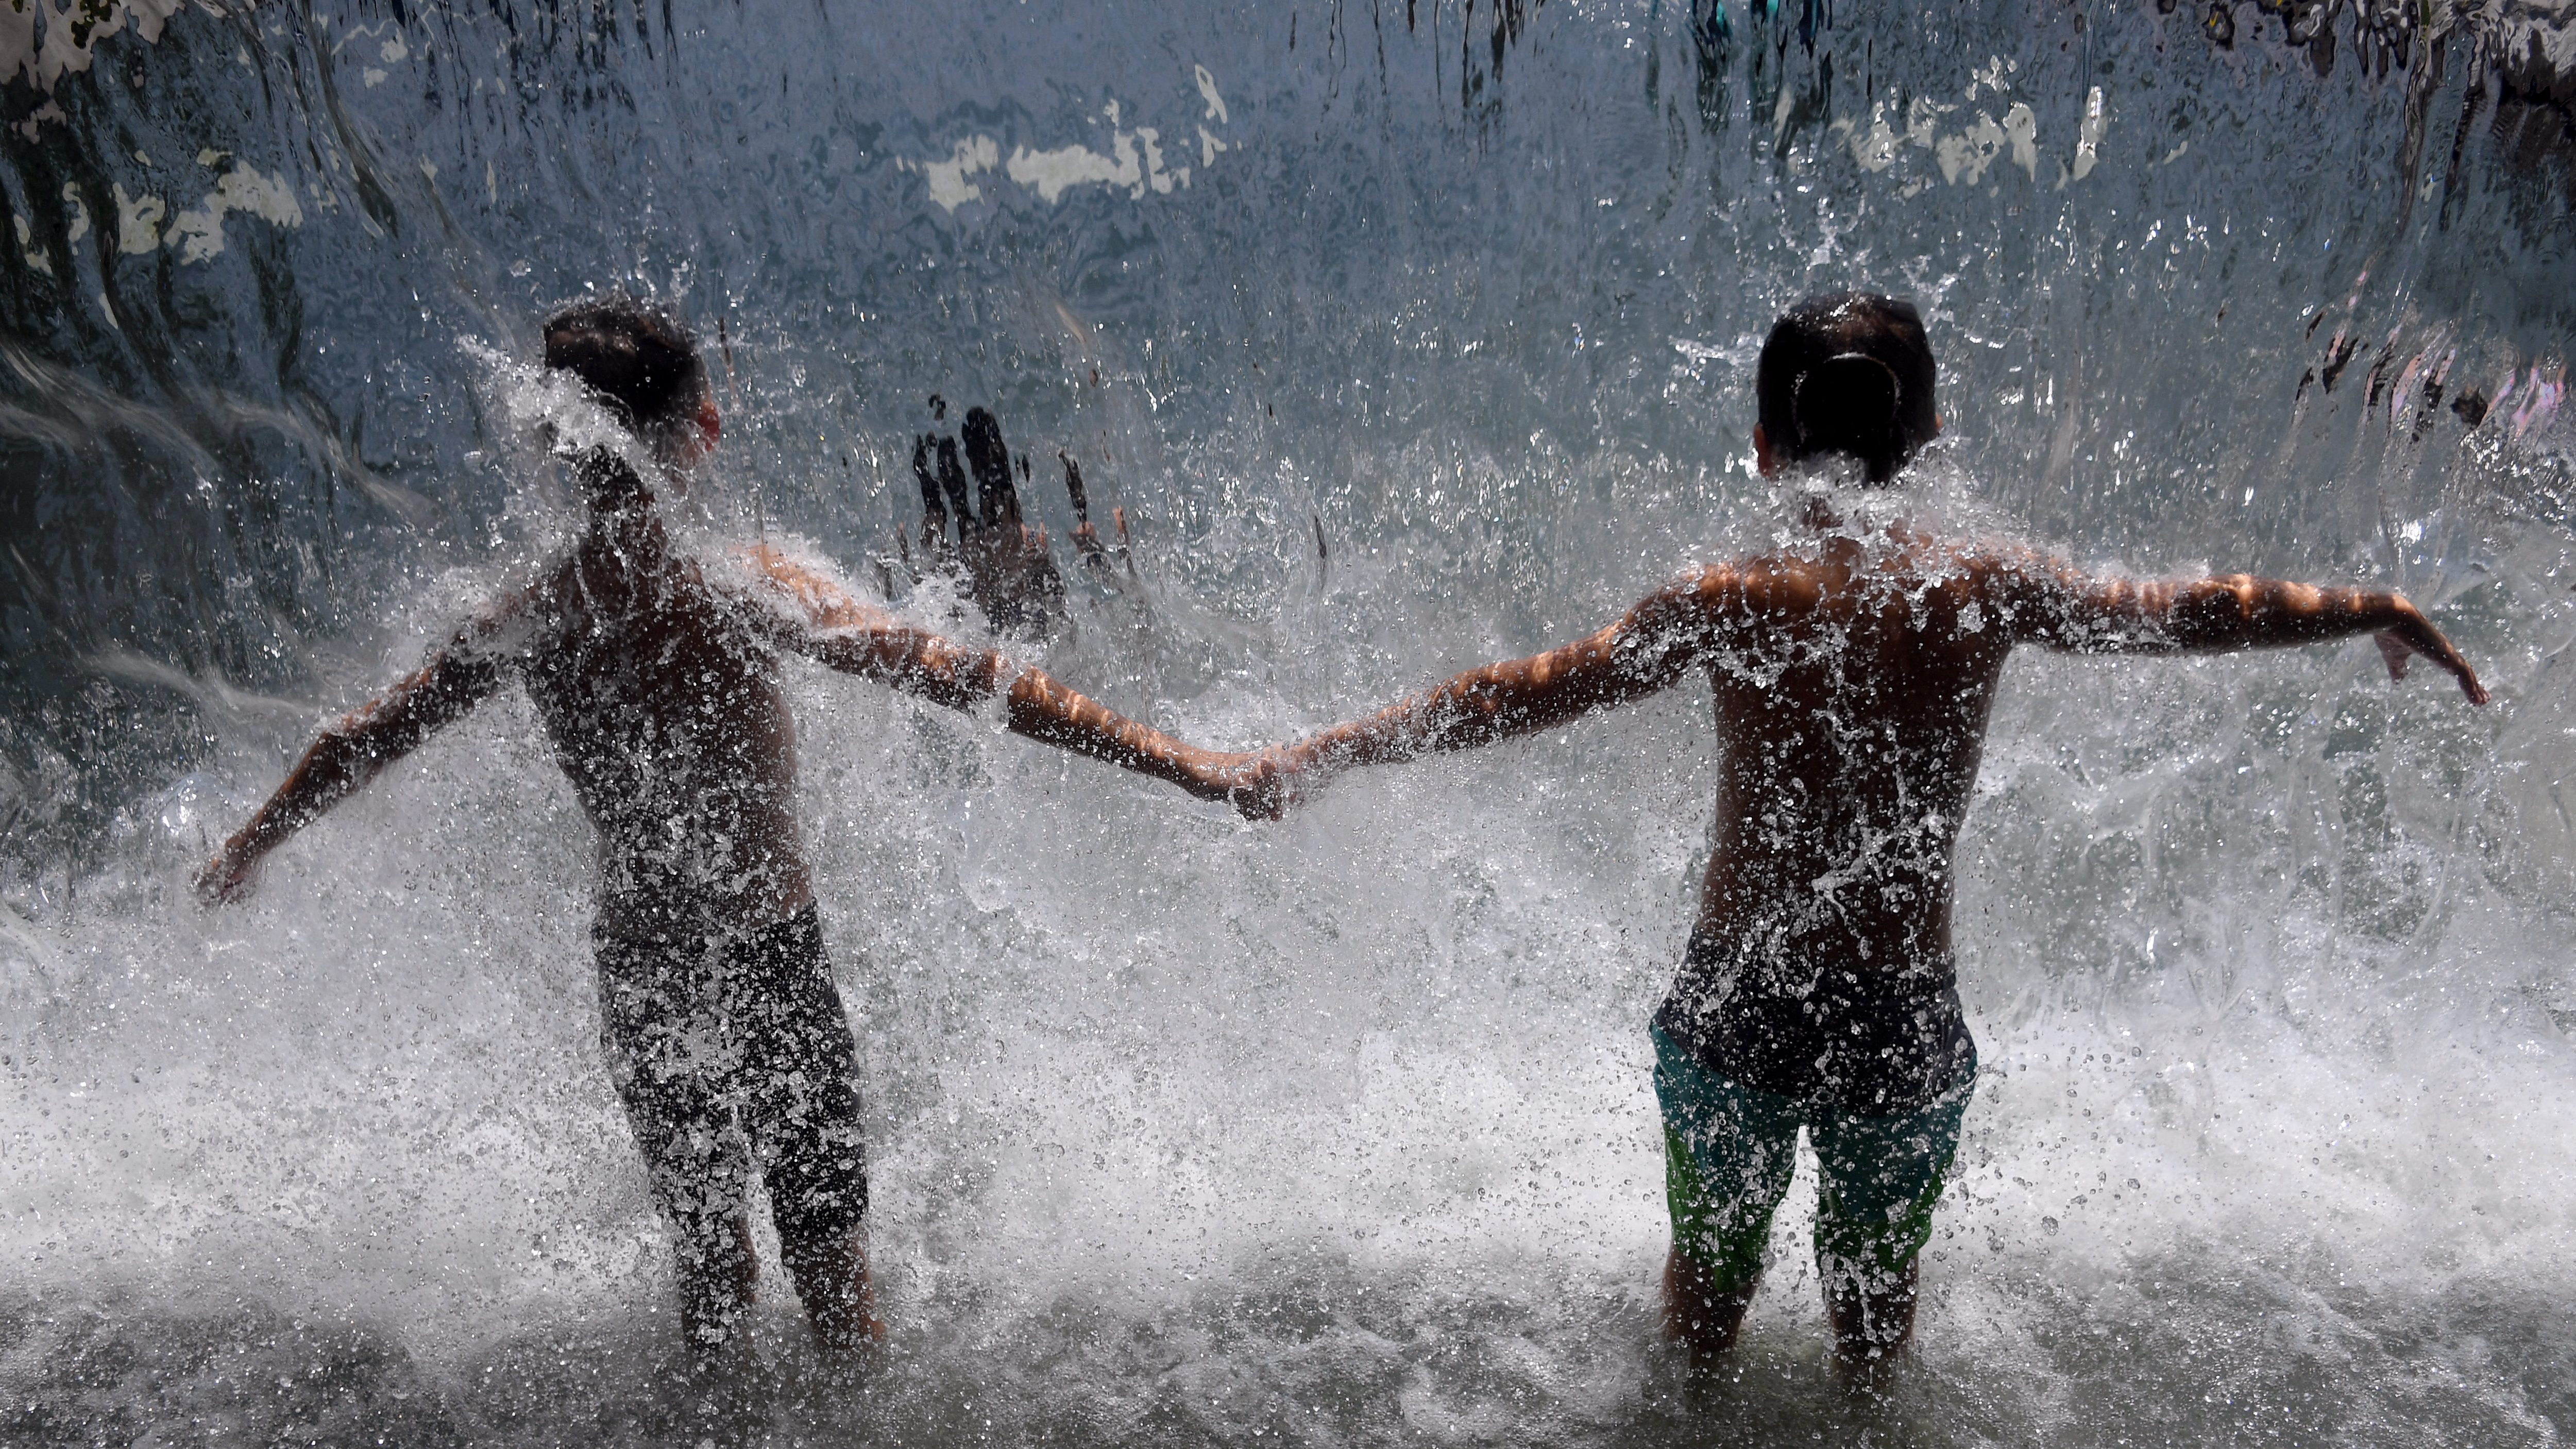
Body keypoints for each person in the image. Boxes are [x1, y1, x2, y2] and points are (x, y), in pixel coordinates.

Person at [1251, 292, 2489, 1366]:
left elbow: (1525, 690)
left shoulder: (1731, 600)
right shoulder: (1981, 584)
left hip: (1741, 1000)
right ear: (1929, 437)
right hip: (1898, 1012)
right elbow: (2180, 614)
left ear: (1761, 449)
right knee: (1874, 1331)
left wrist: (1326, 753)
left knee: (1699, 1320)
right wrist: (2362, 604)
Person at [195, 298, 1266, 1356]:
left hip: (641, 969)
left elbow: (363, 737)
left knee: (710, 1281)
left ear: (561, 444)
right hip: (769, 957)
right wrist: (1183, 764)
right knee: (834, 1281)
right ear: (703, 428)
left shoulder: (536, 606)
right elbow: (976, 681)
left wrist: (250, 844)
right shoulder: (747, 585)